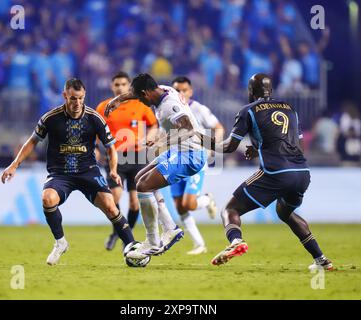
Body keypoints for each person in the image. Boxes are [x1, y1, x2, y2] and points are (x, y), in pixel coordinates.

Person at [1, 78, 136, 266]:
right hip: (60, 173)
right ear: (65, 96)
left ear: (84, 96)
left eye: (80, 98)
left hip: (87, 171)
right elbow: (32, 141)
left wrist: (113, 170)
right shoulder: (50, 118)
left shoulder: (94, 118)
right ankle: (60, 242)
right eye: (73, 98)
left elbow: (111, 147)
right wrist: (14, 165)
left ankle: (132, 246)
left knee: (111, 205)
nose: (77, 103)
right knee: (47, 199)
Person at [206, 73, 333, 271]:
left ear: (250, 91)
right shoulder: (290, 109)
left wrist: (205, 142)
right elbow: (294, 143)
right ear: (271, 90)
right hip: (302, 171)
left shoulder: (248, 110)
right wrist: (259, 149)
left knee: (230, 210)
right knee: (285, 211)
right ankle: (321, 259)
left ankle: (236, 241)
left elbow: (230, 146)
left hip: (276, 172)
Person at [105, 73, 213, 259]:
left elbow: (188, 130)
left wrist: (163, 142)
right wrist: (117, 100)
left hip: (189, 155)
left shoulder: (169, 106)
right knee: (140, 179)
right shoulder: (163, 89)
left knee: (143, 186)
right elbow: (133, 92)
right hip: (179, 151)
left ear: (146, 93)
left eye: (140, 98)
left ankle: (154, 241)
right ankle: (170, 228)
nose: (139, 101)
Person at [96, 71, 158, 251]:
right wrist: (95, 148)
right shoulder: (103, 107)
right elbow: (94, 129)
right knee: (114, 196)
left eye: (123, 84)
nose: (120, 87)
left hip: (137, 156)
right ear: (111, 86)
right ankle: (118, 228)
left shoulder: (140, 104)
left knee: (134, 202)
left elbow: (153, 124)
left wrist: (150, 136)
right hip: (114, 156)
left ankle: (124, 234)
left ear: (129, 86)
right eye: (116, 84)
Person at [171, 76, 222, 254]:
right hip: (175, 160)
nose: (180, 93)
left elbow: (219, 127)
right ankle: (199, 244)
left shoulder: (198, 109)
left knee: (189, 203)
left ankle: (207, 199)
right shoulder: (170, 109)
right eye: (177, 90)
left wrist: (212, 148)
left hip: (195, 161)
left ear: (190, 91)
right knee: (179, 206)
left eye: (184, 90)